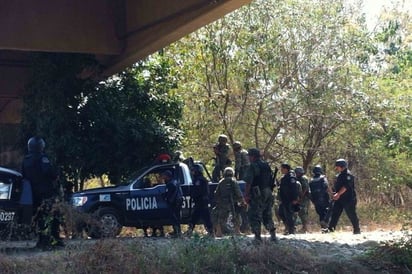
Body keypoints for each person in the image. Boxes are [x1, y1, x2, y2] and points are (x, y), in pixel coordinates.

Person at [21, 136, 63, 250]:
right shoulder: (43, 158)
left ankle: (42, 240)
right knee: (53, 216)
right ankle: (54, 240)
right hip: (46, 193)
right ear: (41, 146)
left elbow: (23, 176)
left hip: (33, 195)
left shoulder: (26, 160)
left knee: (40, 218)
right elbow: (49, 173)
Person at [244, 148, 277, 243]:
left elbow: (248, 182)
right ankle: (273, 235)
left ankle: (257, 237)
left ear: (252, 156)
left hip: (257, 193)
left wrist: (246, 195)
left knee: (254, 214)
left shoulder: (253, 166)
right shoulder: (266, 165)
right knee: (267, 213)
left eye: (249, 156)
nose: (248, 158)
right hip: (268, 192)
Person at [326, 159, 360, 234]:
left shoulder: (348, 175)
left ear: (342, 166)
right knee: (335, 214)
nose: (336, 168)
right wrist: (333, 192)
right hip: (339, 199)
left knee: (351, 214)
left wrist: (338, 194)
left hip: (348, 199)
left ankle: (357, 229)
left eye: (337, 166)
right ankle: (331, 229)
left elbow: (345, 186)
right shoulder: (339, 176)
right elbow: (336, 187)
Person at [212, 167, 245, 237]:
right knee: (236, 216)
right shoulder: (233, 181)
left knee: (220, 217)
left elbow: (216, 193)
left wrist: (219, 201)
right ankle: (237, 231)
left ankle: (218, 232)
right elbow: (238, 192)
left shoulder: (221, 182)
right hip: (233, 203)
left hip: (223, 203)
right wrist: (242, 201)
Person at [187, 164, 213, 237]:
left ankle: (211, 231)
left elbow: (200, 191)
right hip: (198, 201)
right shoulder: (196, 180)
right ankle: (190, 230)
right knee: (194, 217)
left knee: (206, 217)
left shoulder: (200, 180)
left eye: (194, 171)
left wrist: (194, 195)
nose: (192, 172)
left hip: (202, 201)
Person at [277, 163, 299, 235]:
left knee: (288, 214)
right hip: (284, 199)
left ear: (286, 169)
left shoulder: (291, 177)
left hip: (289, 199)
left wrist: (295, 198)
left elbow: (294, 188)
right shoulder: (285, 177)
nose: (281, 170)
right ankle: (288, 227)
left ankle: (291, 230)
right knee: (281, 213)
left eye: (282, 168)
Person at [162, 170, 183, 237]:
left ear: (167, 176)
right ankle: (177, 231)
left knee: (174, 217)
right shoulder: (175, 181)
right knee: (177, 217)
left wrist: (165, 196)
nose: (163, 177)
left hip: (174, 202)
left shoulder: (170, 184)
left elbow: (170, 194)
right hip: (178, 201)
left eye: (164, 176)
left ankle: (177, 232)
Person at [309, 165, 331, 229]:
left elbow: (309, 191)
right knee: (327, 212)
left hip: (316, 200)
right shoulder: (323, 178)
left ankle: (323, 228)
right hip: (324, 199)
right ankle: (326, 226)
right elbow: (326, 187)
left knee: (320, 213)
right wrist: (331, 194)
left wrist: (312, 200)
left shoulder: (311, 180)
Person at [294, 166, 310, 233]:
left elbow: (305, 189)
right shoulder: (298, 178)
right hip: (301, 198)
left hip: (304, 198)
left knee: (303, 212)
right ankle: (303, 227)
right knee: (300, 212)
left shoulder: (303, 178)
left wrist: (301, 197)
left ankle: (305, 227)